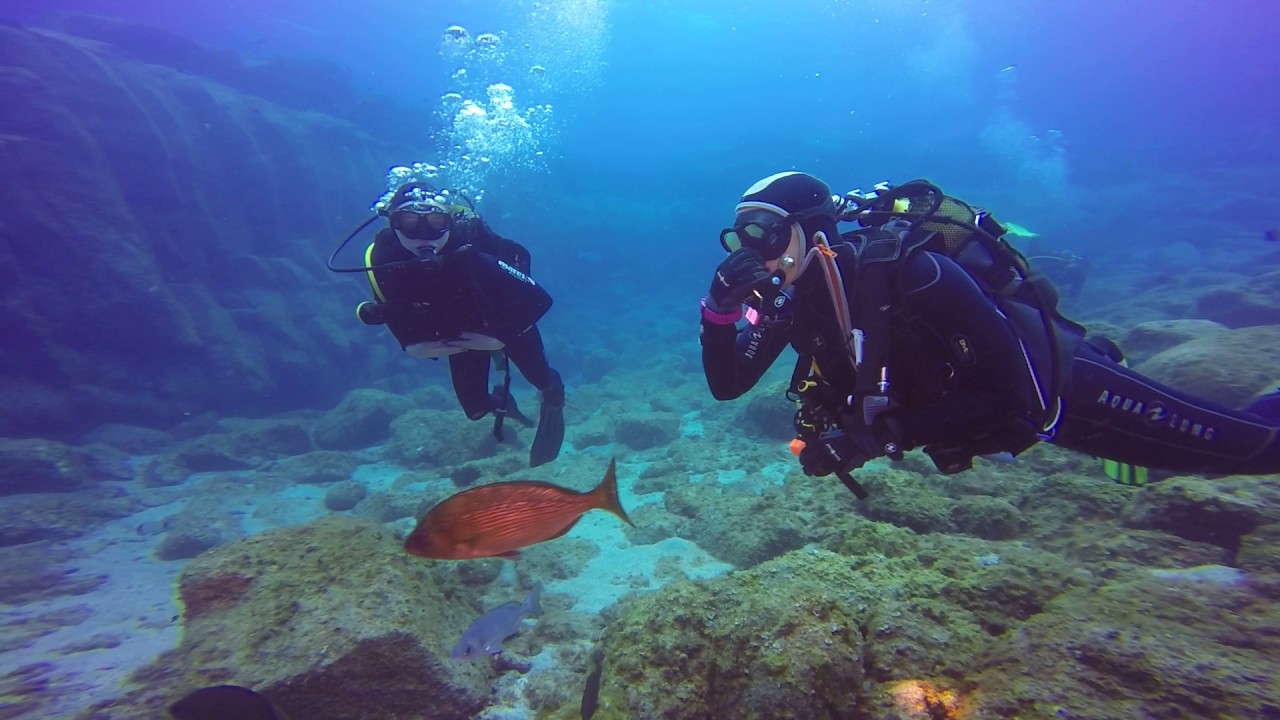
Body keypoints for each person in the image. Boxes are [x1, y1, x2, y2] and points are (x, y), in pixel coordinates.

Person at [699, 172, 1280, 495]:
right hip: (1025, 422)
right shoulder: (790, 306)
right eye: (741, 237)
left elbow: (1016, 396)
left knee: (1255, 448)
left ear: (812, 230)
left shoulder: (907, 272)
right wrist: (718, 312)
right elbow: (728, 385)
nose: (754, 253)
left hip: (1068, 391)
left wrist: (870, 439)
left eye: (765, 234)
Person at [355, 182, 565, 467]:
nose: (423, 236)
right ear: (393, 224)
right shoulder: (382, 258)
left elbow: (539, 300)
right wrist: (412, 344)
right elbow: (389, 307)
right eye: (409, 223)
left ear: (450, 222)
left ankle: (554, 395)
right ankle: (503, 402)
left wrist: (499, 338)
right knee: (475, 410)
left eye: (436, 222)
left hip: (508, 321)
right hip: (459, 335)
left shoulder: (471, 252)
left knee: (541, 380)